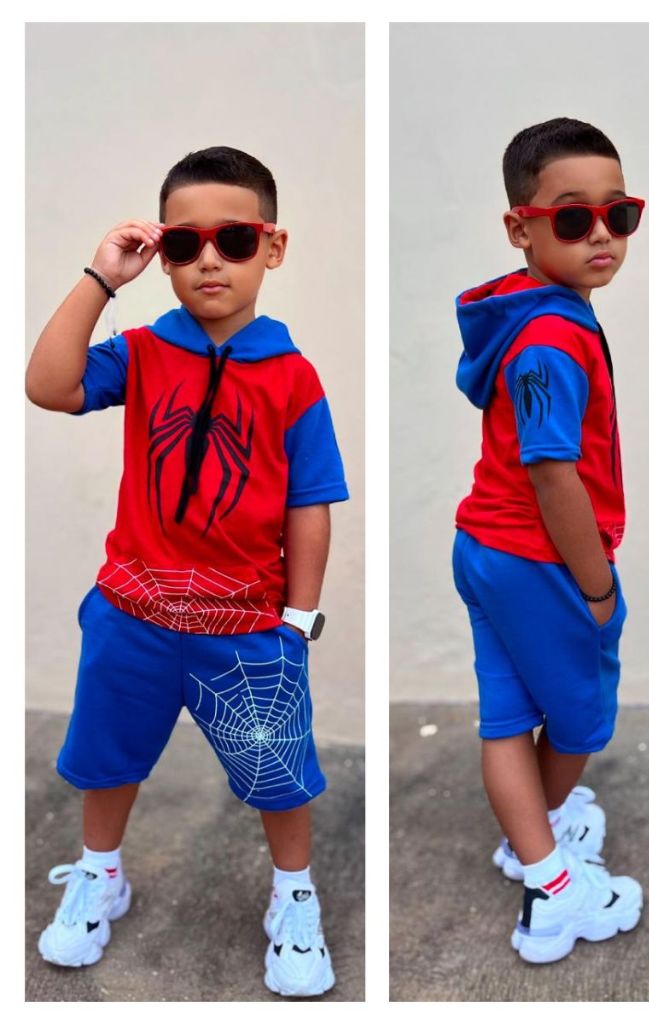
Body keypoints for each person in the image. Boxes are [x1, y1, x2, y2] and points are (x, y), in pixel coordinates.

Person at [25, 146, 349, 997]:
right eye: (184, 242)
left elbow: (310, 503)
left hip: (247, 625)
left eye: (234, 239)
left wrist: (300, 620)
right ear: (162, 254)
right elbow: (49, 386)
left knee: (279, 769)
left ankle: (294, 892)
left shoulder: (292, 376)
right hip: (132, 613)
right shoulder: (141, 353)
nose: (210, 259)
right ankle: (99, 874)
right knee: (108, 757)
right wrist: (101, 278)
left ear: (272, 248)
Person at [452, 117, 646, 964]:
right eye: (572, 217)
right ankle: (553, 885)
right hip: (539, 562)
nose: (600, 233)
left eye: (619, 213)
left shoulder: (524, 314)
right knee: (579, 716)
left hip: (485, 547)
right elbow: (552, 473)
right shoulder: (550, 340)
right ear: (520, 227)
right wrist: (596, 585)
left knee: (506, 719)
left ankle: (531, 848)